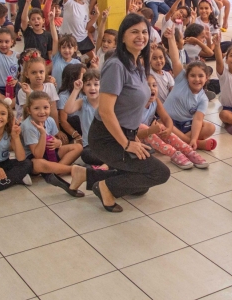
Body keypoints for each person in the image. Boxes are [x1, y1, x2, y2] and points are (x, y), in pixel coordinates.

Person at [64, 14, 171, 212]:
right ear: (122, 37)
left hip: (127, 132)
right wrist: (127, 143)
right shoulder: (116, 65)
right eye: (134, 32)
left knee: (140, 187)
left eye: (144, 32)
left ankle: (84, 175)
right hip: (107, 136)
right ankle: (105, 187)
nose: (141, 36)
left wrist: (134, 137)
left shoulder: (138, 63)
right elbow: (105, 111)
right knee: (159, 173)